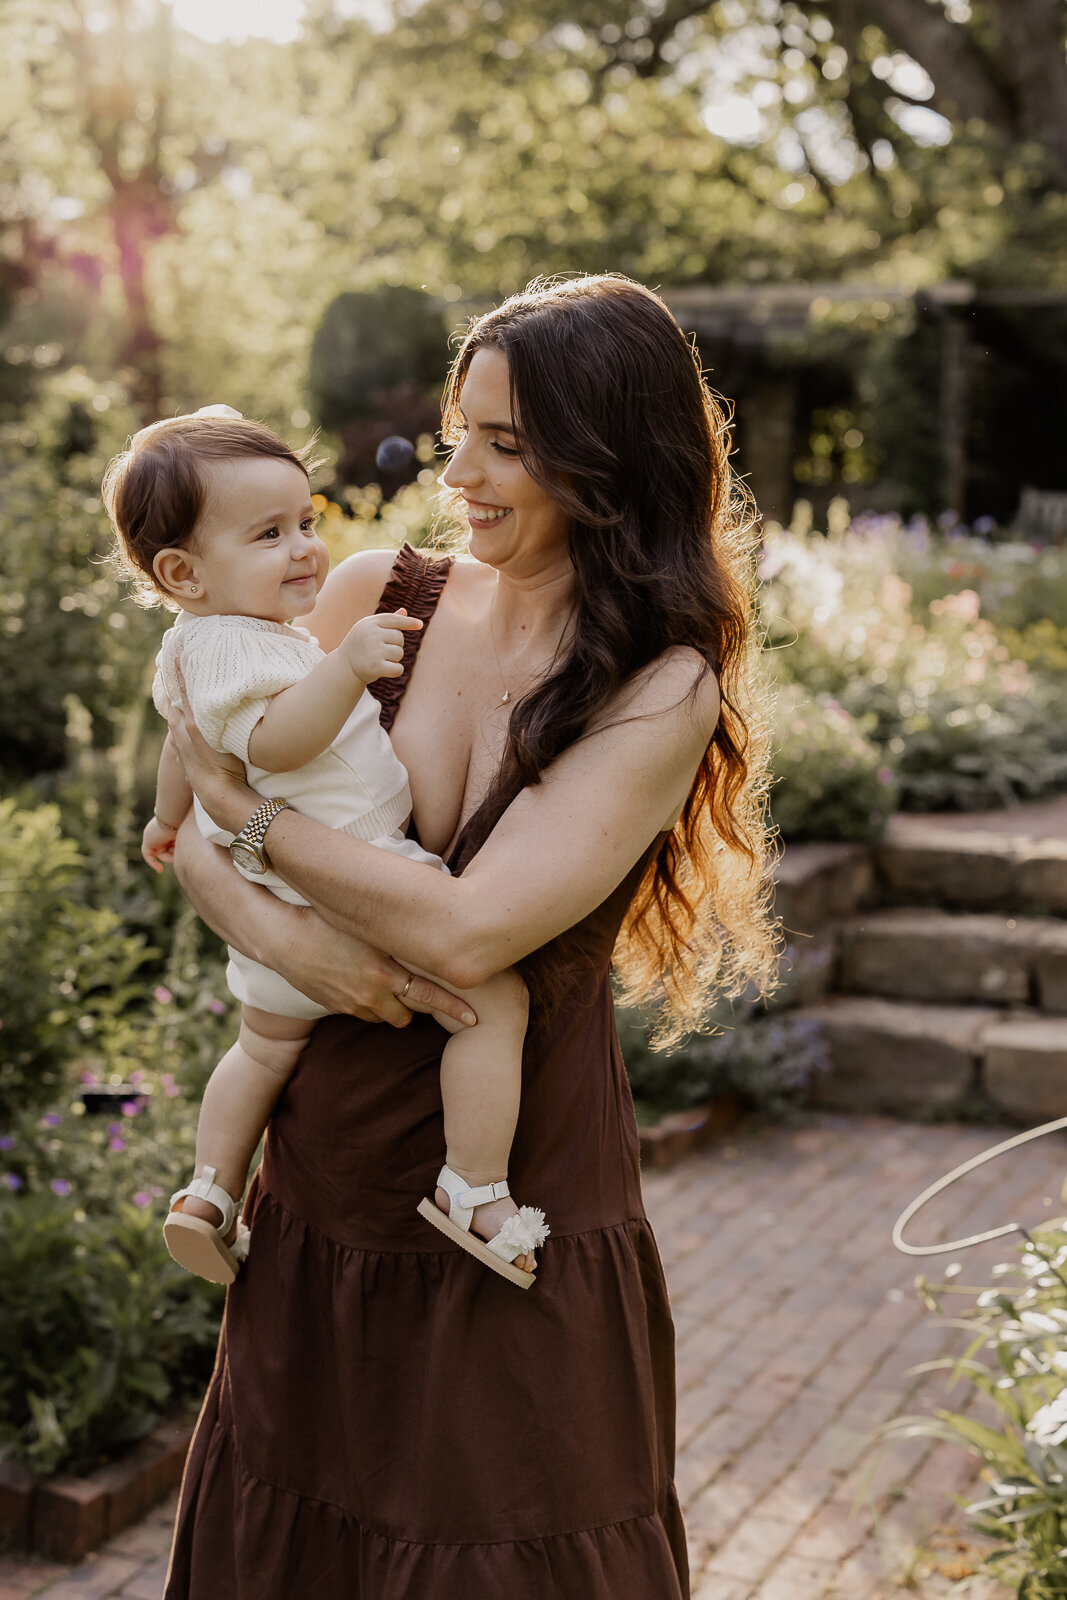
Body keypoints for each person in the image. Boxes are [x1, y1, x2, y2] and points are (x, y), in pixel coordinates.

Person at [162, 274, 778, 1600]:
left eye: (506, 444)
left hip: (505, 1204)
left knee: (502, 1544)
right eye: (458, 436)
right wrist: (305, 942)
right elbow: (193, 831)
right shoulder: (388, 589)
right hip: (324, 1179)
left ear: (606, 457)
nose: (461, 475)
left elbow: (468, 924)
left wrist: (253, 831)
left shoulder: (657, 680)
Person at [104, 409, 543, 1287]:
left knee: (262, 1048)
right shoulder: (248, 649)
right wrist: (344, 666)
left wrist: (165, 817)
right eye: (269, 534)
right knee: (494, 998)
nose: (305, 548)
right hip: (354, 869)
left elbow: (185, 743)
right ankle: (473, 1185)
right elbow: (269, 745)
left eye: (305, 522)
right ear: (183, 573)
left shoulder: (198, 646)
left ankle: (208, 1192)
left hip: (277, 900)